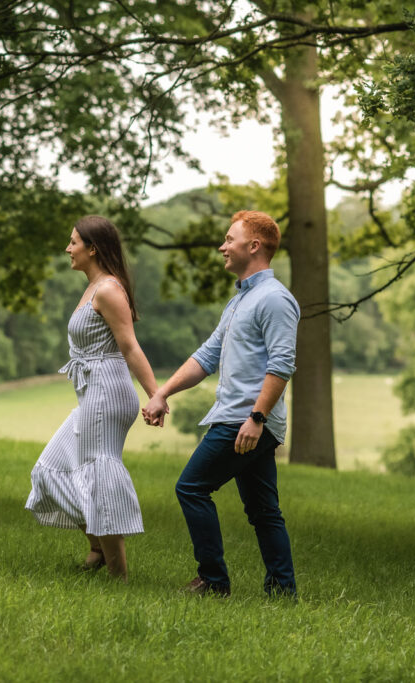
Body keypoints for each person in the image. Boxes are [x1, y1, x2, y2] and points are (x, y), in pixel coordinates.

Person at [143, 210, 299, 598]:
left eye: (230, 239)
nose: (222, 246)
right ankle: (283, 591)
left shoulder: (275, 300)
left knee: (191, 488)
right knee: (264, 512)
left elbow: (282, 365)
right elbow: (206, 357)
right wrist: (162, 393)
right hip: (243, 420)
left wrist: (257, 418)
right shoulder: (239, 302)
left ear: (254, 245)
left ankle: (213, 581)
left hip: (245, 422)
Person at [25, 215, 159, 582]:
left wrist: (156, 395)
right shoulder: (93, 287)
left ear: (92, 248)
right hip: (91, 393)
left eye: (73, 242)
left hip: (107, 392)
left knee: (99, 474)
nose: (67, 249)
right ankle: (99, 548)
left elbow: (130, 346)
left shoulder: (109, 290)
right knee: (48, 469)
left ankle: (119, 577)